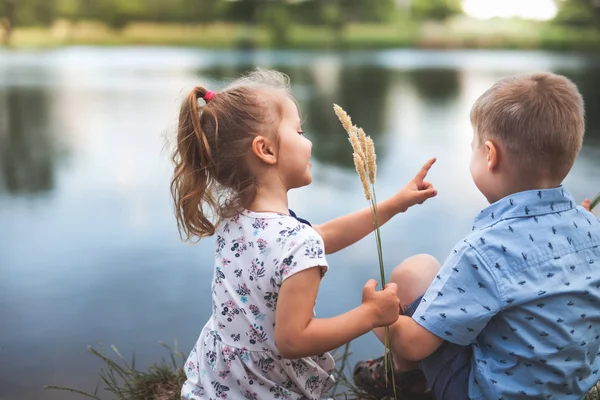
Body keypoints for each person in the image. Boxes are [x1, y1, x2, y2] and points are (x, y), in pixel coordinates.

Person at [171, 69, 438, 400]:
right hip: (265, 391)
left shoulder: (237, 220)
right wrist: (370, 315)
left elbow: (319, 237)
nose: (309, 140)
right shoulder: (295, 241)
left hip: (215, 386)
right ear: (266, 150)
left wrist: (394, 204)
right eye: (299, 131)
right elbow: (294, 340)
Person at [354, 72, 600, 400]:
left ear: (489, 155)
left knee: (416, 272)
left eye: (472, 148)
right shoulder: (592, 229)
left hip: (486, 394)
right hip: (568, 389)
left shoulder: (484, 250)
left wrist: (375, 317)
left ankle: (406, 379)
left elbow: (413, 342)